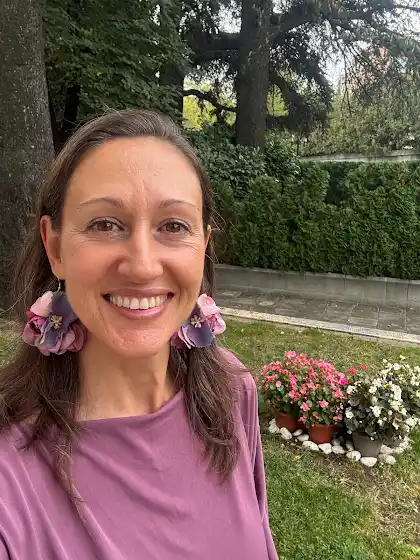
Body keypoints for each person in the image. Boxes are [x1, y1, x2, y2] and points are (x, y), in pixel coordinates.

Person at [0, 109, 278, 560]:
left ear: (202, 247)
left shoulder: (231, 391)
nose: (143, 265)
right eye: (105, 224)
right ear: (55, 247)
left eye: (174, 226)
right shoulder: (10, 475)